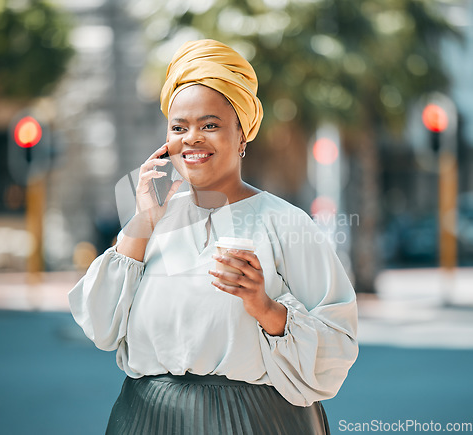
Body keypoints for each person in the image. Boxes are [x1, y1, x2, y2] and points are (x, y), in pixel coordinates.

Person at [69, 39, 358, 435]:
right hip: (145, 419)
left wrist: (265, 307)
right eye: (178, 127)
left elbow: (336, 349)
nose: (192, 138)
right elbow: (100, 327)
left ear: (242, 136)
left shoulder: (285, 223)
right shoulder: (149, 224)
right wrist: (140, 223)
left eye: (210, 125)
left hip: (256, 420)